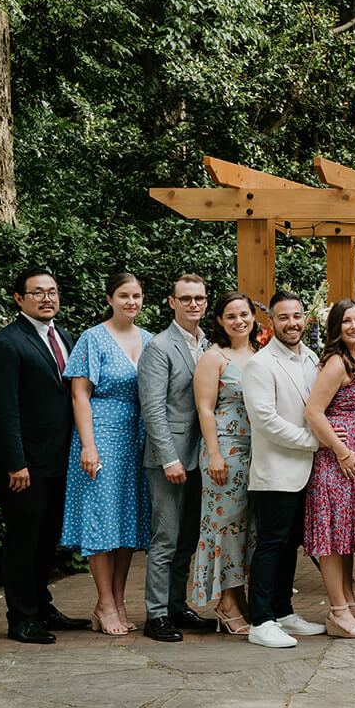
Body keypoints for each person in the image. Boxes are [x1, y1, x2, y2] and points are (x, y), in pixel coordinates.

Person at [0, 267, 87, 644]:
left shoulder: (65, 336)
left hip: (59, 459)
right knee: (24, 541)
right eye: (38, 292)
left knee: (47, 539)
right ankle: (22, 618)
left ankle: (42, 607)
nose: (48, 299)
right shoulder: (5, 345)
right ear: (19, 299)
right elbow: (2, 410)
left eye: (53, 292)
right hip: (24, 465)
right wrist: (16, 463)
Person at [59, 272, 154, 635]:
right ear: (109, 298)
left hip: (137, 437)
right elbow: (79, 394)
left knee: (127, 520)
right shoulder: (92, 338)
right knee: (101, 518)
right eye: (124, 295)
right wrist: (87, 445)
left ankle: (118, 599)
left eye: (137, 295)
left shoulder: (149, 339)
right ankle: (103, 602)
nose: (131, 302)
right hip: (101, 433)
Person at [242, 290, 326, 648]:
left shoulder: (312, 358)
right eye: (283, 317)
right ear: (271, 322)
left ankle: (283, 612)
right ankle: (260, 621)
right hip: (276, 470)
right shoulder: (260, 364)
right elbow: (264, 421)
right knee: (271, 545)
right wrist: (314, 441)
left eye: (296, 316)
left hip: (308, 471)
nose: (291, 323)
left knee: (291, 544)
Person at [137, 274, 214, 643]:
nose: (193, 304)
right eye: (185, 299)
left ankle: (177, 605)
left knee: (188, 538)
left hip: (201, 455)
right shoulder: (159, 346)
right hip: (169, 458)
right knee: (165, 537)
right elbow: (152, 408)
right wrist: (169, 458)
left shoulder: (207, 343)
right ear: (171, 302)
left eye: (199, 298)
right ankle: (155, 615)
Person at [303, 299, 355, 639]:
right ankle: (336, 611)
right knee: (333, 537)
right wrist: (342, 451)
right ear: (336, 327)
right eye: (347, 321)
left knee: (346, 536)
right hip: (338, 462)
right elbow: (314, 412)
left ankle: (349, 603)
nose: (354, 326)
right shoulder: (336, 363)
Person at [190, 290, 260, 634]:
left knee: (250, 528)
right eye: (231, 316)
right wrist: (214, 453)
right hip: (226, 453)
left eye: (244, 314)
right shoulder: (214, 357)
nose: (239, 321)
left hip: (258, 453)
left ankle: (241, 597)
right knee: (227, 528)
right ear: (219, 321)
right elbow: (204, 408)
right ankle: (226, 603)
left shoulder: (260, 354)